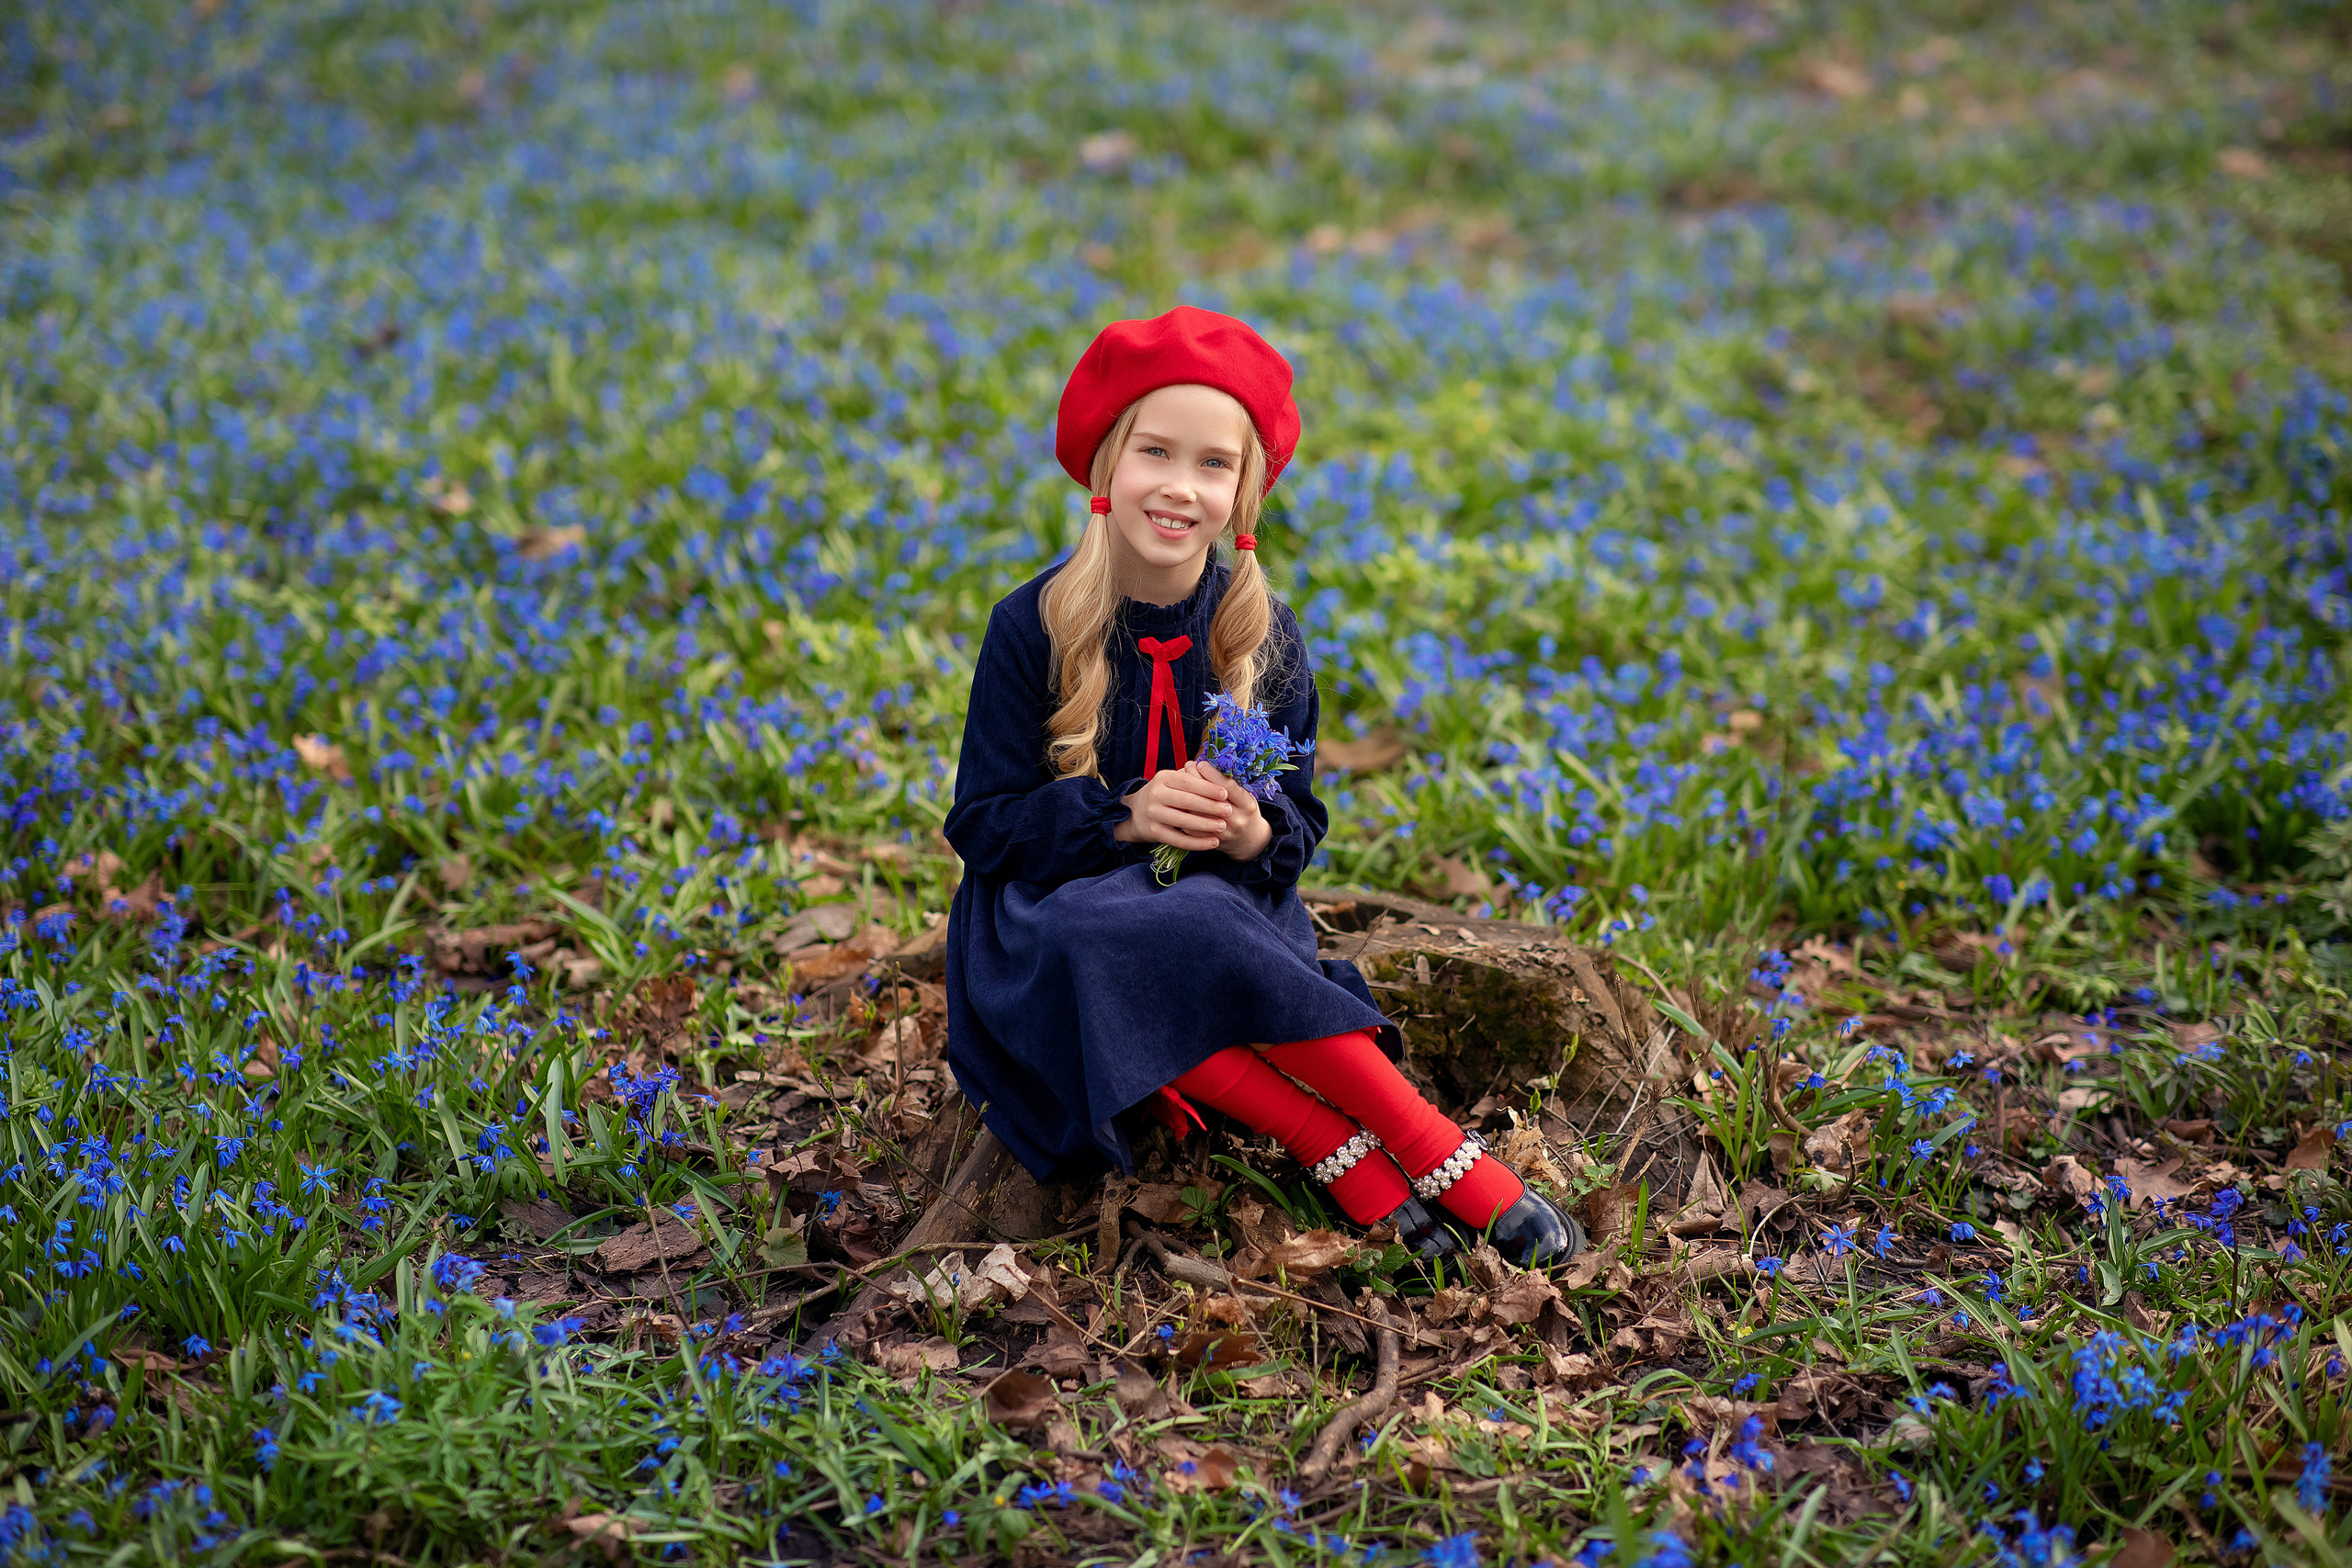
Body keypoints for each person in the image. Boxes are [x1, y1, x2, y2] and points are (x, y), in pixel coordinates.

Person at [942, 306, 1581, 1269]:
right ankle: (1376, 1144)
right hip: (1050, 918)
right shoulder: (1030, 624)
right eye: (1156, 452)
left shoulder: (1259, 631)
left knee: (1195, 923)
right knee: (1102, 942)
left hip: (1216, 900)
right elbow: (982, 824)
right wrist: (1123, 817)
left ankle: (1393, 1140)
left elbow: (1298, 819)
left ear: (1243, 494)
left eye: (1214, 464)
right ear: (1106, 466)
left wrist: (1249, 833)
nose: (1180, 486)